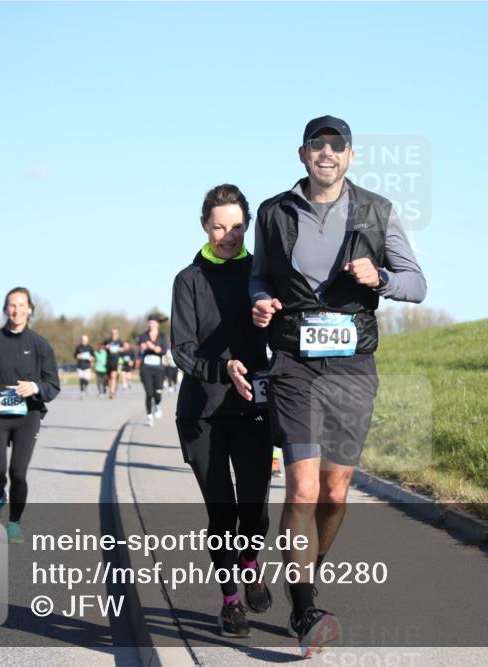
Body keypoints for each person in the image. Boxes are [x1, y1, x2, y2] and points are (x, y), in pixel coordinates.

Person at [250, 116, 427, 656]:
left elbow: (418, 284)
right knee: (302, 488)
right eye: (317, 145)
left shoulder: (379, 211)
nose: (327, 153)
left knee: (333, 492)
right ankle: (304, 608)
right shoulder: (273, 212)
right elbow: (259, 273)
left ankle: (305, 571)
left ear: (350, 156)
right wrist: (258, 302)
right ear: (302, 154)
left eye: (337, 146)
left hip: (352, 367)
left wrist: (382, 279)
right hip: (295, 364)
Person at [172, 183, 274, 639]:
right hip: (203, 414)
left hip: (254, 406)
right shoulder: (188, 280)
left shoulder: (261, 273)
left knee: (255, 511)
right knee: (223, 514)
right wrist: (221, 367)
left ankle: (250, 564)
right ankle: (230, 600)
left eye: (236, 226)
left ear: (247, 225)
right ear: (203, 226)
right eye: (219, 226)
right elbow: (182, 349)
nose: (228, 235)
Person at [0, 287, 60, 544]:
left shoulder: (40, 345)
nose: (16, 310)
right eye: (11, 305)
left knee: (18, 472)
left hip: (28, 415)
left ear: (30, 309)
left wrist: (35, 387)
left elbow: (53, 384)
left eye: (21, 305)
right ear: (6, 309)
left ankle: (14, 523)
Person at [137, 314, 168, 426]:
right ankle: (149, 416)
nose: (152, 324)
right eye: (150, 322)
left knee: (158, 394)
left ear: (157, 324)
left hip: (159, 369)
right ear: (148, 324)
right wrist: (143, 347)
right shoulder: (143, 336)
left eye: (154, 322)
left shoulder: (162, 336)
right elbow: (140, 349)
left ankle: (157, 405)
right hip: (146, 368)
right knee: (149, 393)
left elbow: (164, 351)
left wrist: (153, 347)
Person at [102, 329, 127, 398]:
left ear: (118, 334)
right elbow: (101, 346)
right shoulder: (107, 340)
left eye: (115, 333)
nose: (114, 334)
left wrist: (121, 349)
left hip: (117, 361)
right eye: (112, 333)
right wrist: (105, 347)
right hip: (108, 361)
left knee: (114, 376)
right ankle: (109, 387)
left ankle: (111, 392)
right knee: (108, 377)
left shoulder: (120, 341)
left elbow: (124, 349)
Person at [73, 334, 94, 399]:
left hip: (87, 366)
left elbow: (93, 356)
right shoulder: (78, 347)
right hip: (80, 366)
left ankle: (86, 386)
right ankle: (82, 391)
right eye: (82, 340)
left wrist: (91, 359)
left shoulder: (90, 347)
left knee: (86, 379)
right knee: (81, 378)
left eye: (85, 340)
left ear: (87, 340)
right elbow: (74, 355)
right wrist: (77, 356)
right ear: (81, 340)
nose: (84, 341)